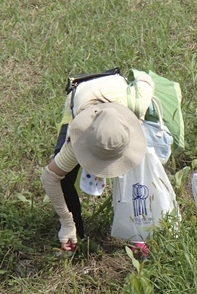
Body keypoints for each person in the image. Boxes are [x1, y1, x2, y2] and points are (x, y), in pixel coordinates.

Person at [41, 72, 154, 251]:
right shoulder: (77, 138)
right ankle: (75, 232)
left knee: (137, 177)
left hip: (117, 95)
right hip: (80, 97)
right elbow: (50, 177)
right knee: (65, 179)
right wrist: (66, 221)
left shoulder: (137, 104)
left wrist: (139, 118)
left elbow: (145, 78)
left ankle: (136, 231)